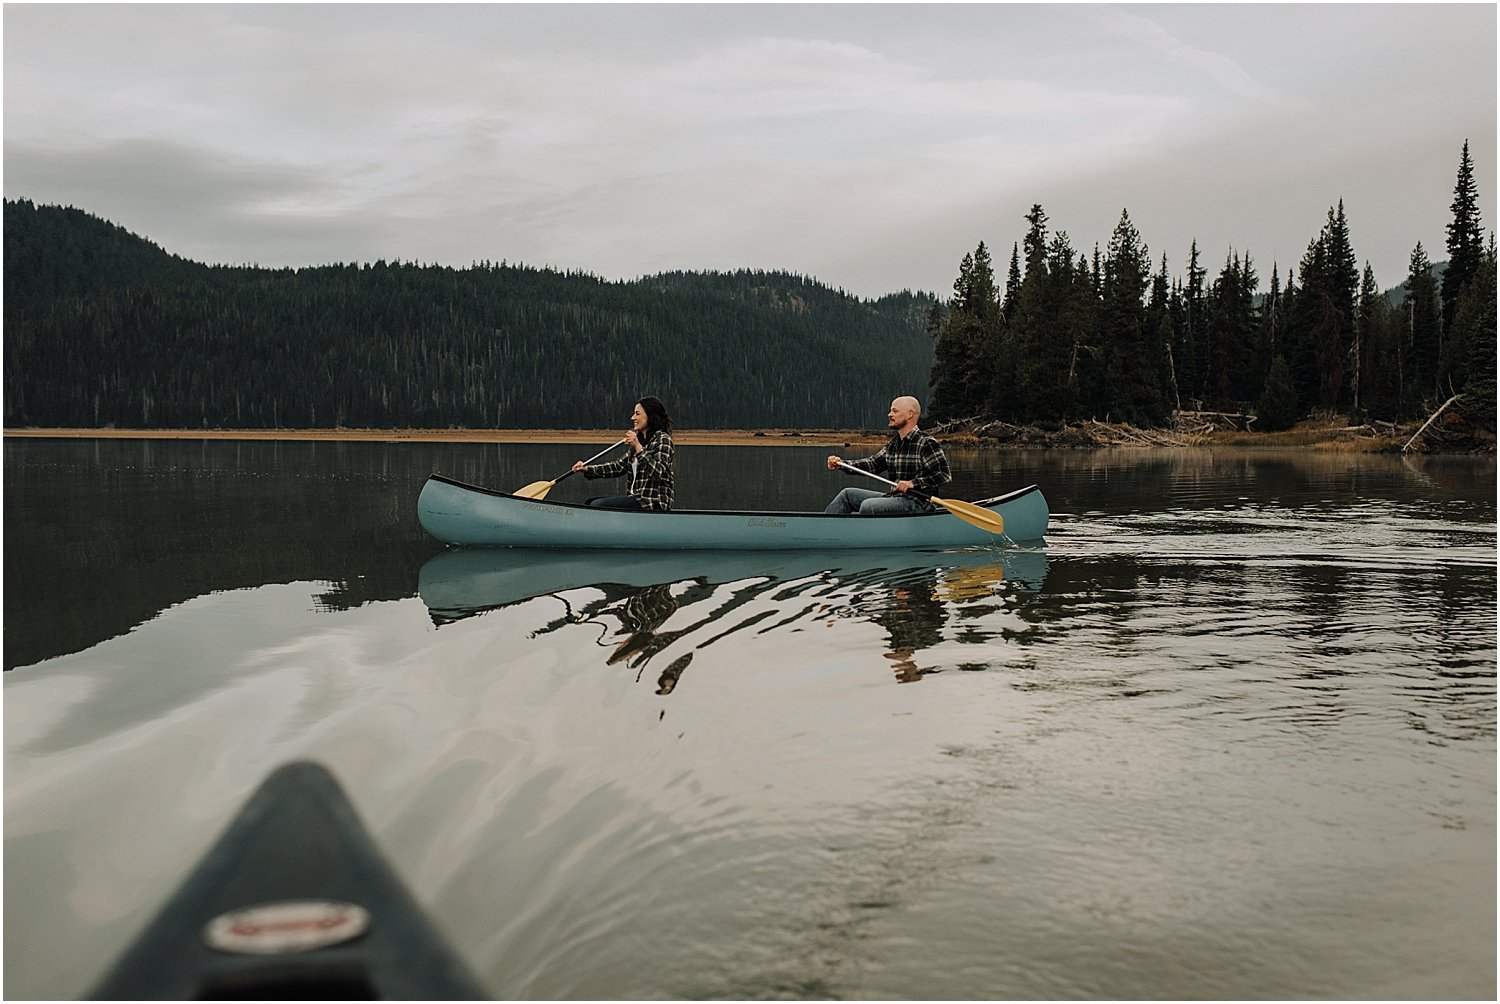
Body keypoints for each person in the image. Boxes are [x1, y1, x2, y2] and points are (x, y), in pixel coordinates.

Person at [824, 396, 950, 515]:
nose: (889, 415)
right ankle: (825, 530)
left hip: (917, 503)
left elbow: (943, 475)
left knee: (869, 506)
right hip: (894, 498)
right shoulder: (893, 444)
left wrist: (913, 483)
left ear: (910, 414)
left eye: (894, 411)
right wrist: (842, 464)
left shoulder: (926, 443)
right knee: (847, 495)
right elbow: (873, 464)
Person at [572, 396, 675, 510]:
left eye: (637, 414)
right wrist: (587, 469)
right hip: (636, 499)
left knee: (597, 505)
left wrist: (638, 448)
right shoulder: (640, 440)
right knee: (589, 502)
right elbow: (618, 467)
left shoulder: (662, 439)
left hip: (652, 503)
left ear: (650, 416)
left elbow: (658, 472)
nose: (633, 418)